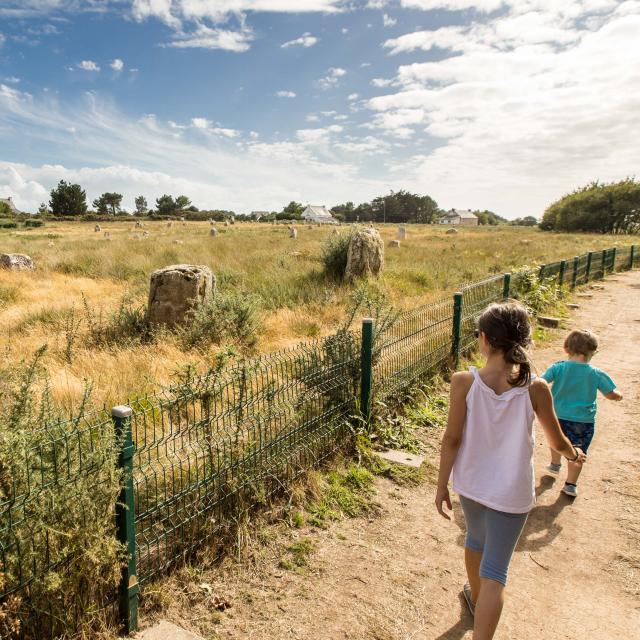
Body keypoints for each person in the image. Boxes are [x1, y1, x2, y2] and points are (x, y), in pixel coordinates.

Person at [435, 301, 586, 640]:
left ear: (484, 339)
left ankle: (476, 599)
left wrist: (442, 484)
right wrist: (573, 454)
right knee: (495, 574)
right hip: (511, 495)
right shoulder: (535, 388)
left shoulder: (463, 382)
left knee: (475, 540)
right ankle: (481, 604)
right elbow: (556, 439)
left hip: (471, 487)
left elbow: (451, 440)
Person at [542, 329, 622, 497]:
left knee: (556, 440)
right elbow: (611, 393)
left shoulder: (558, 368)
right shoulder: (596, 373)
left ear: (566, 348)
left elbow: (542, 382)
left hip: (557, 415)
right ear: (593, 352)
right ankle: (570, 485)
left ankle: (555, 463)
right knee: (578, 450)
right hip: (583, 421)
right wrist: (617, 397)